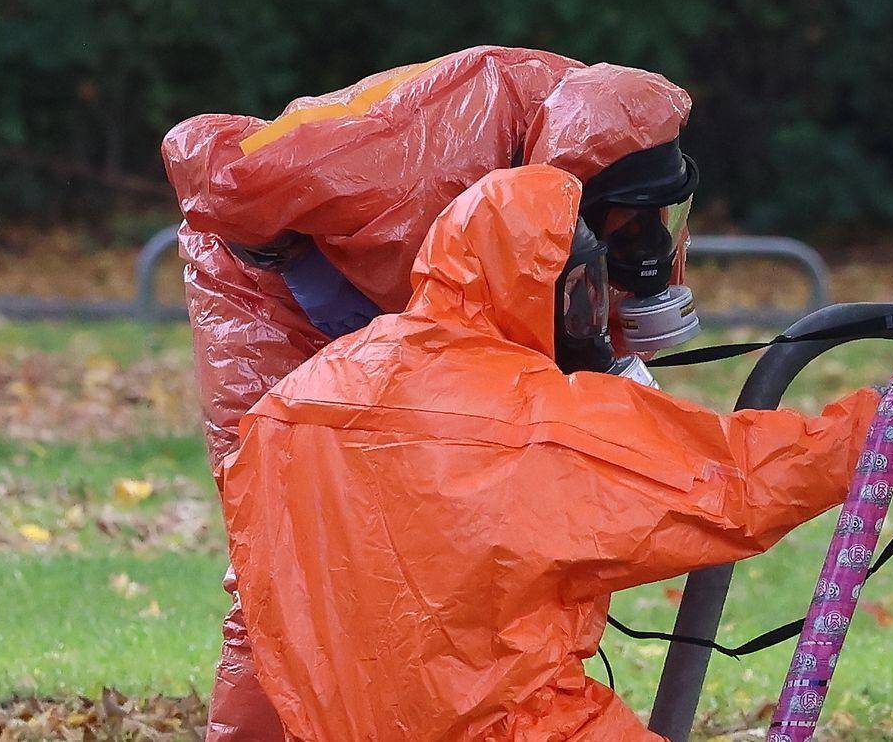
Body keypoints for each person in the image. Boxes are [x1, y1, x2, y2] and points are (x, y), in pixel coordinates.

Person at [222, 165, 893, 741]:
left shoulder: (288, 408)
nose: (597, 316)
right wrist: (885, 423)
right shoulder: (538, 421)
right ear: (541, 289)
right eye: (585, 293)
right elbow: (730, 482)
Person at [163, 47, 702, 741]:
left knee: (467, 541)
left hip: (424, 320)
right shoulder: (413, 149)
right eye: (627, 225)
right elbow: (209, 161)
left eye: (661, 218)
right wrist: (331, 278)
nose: (653, 248)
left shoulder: (623, 140)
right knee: (286, 558)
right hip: (275, 308)